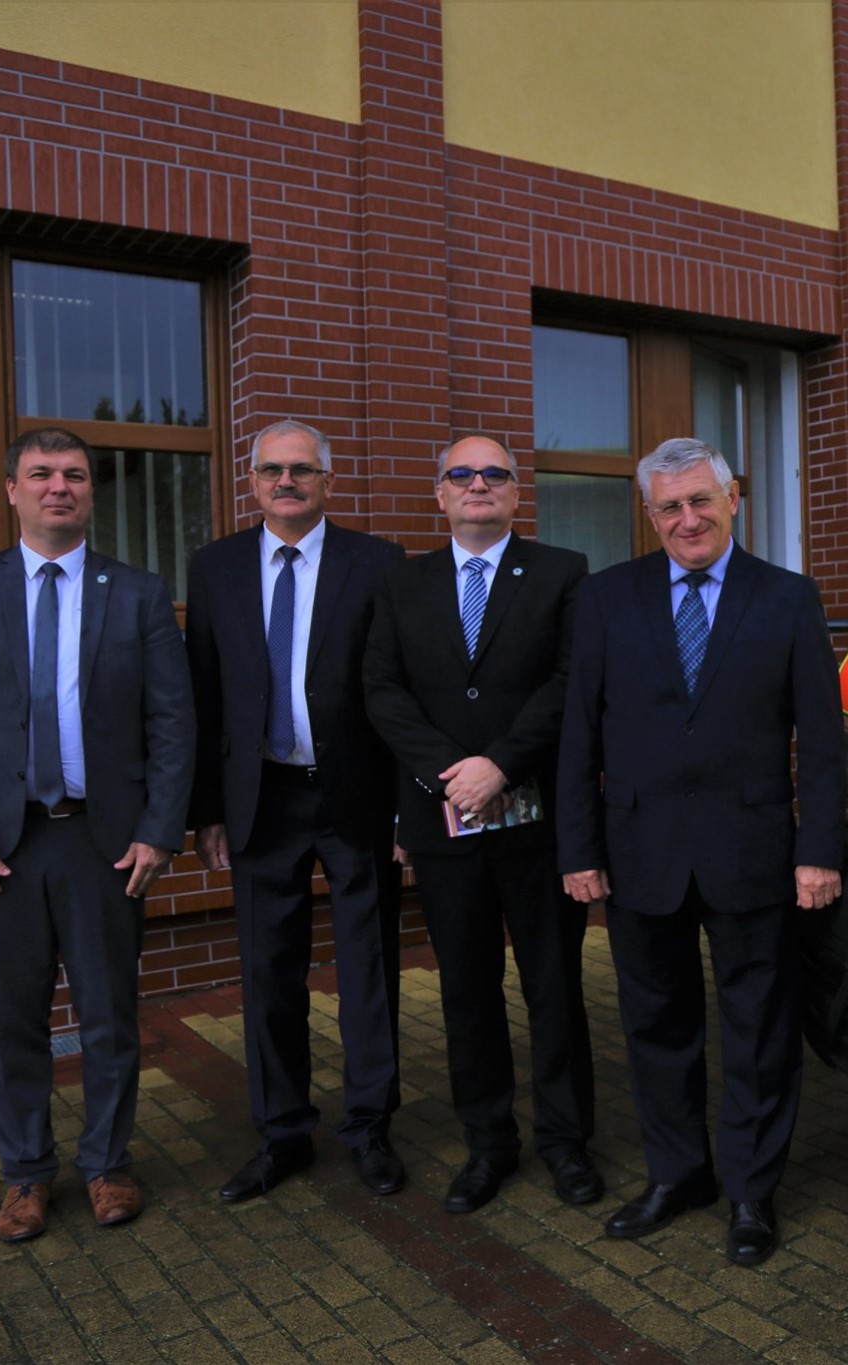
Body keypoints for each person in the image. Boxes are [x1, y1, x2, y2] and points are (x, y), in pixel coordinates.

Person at [558, 436, 844, 1268]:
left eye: (700, 501)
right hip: (639, 849)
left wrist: (819, 849)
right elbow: (579, 733)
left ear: (733, 499)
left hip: (754, 851)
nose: (688, 518)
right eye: (670, 507)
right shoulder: (606, 597)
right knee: (656, 1024)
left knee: (759, 1028)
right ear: (650, 515)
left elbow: (821, 739)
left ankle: (752, 1189)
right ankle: (677, 1174)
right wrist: (578, 846)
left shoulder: (787, 597)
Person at [0, 427, 194, 1242]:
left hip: (104, 841)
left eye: (73, 474)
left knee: (109, 1016)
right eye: (40, 473)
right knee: (14, 1020)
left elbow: (173, 721)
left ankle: (107, 1163)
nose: (58, 486)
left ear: (91, 491)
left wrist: (159, 830)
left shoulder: (137, 592)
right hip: (2, 844)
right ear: (12, 490)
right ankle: (26, 1174)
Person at [362, 435, 600, 1214]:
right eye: (460, 473)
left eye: (494, 473)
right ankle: (489, 1143)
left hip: (538, 822)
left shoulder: (563, 572)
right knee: (466, 990)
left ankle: (565, 1142)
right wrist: (451, 773)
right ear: (440, 493)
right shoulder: (403, 582)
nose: (477, 484)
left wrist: (500, 763)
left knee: (553, 987)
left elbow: (570, 681)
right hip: (444, 824)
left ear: (515, 491)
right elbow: (383, 690)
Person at [184, 420, 409, 1202]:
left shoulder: (376, 562)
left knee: (368, 970)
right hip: (261, 798)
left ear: (327, 481)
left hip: (356, 795)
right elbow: (204, 690)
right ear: (252, 481)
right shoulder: (215, 567)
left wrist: (406, 808)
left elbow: (397, 687)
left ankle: (370, 1128)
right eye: (272, 469)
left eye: (302, 469)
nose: (287, 481)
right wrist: (208, 808)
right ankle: (281, 1133)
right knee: (267, 971)